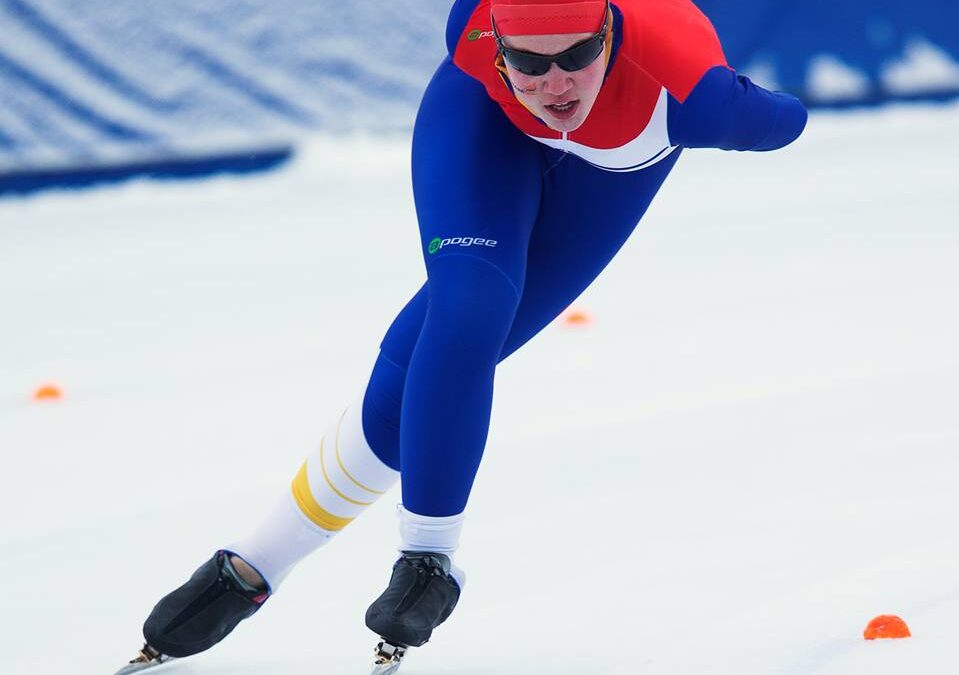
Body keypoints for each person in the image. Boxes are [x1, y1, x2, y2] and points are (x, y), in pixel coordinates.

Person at [116, 0, 807, 672]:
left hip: (614, 170)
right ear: (498, 43)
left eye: (576, 55)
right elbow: (532, 71)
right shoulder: (469, 27)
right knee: (465, 312)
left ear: (609, 34)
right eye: (529, 62)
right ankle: (414, 560)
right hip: (482, 123)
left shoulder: (696, 91)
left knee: (424, 368)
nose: (555, 84)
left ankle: (258, 562)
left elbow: (787, 120)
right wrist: (529, 74)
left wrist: (748, 101)